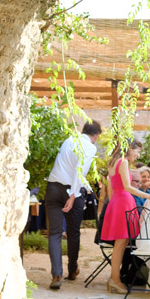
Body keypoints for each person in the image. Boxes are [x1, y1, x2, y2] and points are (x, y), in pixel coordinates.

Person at [45, 120, 101, 290]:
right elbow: (79, 171)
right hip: (73, 190)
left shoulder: (69, 140)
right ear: (96, 136)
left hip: (53, 187)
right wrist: (73, 195)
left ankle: (56, 274)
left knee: (54, 233)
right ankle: (71, 269)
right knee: (73, 232)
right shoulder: (90, 147)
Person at [99, 141, 150, 294]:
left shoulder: (112, 163)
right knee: (121, 244)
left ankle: (115, 278)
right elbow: (127, 186)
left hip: (117, 202)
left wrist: (114, 204)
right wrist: (149, 196)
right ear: (130, 149)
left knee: (119, 245)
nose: (138, 155)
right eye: (137, 151)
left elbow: (111, 189)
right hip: (123, 202)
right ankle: (115, 279)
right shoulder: (123, 162)